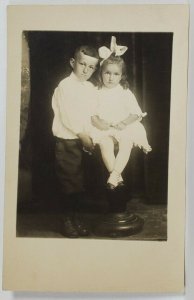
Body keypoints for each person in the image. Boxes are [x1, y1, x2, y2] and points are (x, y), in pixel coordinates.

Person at [90, 36, 152, 190]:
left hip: (123, 126)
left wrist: (123, 123)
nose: (111, 78)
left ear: (121, 76)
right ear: (101, 73)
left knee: (126, 144)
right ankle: (118, 176)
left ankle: (114, 175)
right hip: (104, 127)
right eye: (107, 73)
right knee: (105, 144)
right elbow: (91, 113)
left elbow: (136, 113)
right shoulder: (96, 91)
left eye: (116, 74)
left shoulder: (124, 92)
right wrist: (99, 123)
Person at [51, 45, 99, 237]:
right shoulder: (65, 86)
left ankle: (76, 218)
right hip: (68, 140)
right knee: (69, 181)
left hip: (84, 139)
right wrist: (83, 135)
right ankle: (67, 220)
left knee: (80, 182)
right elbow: (68, 115)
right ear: (73, 62)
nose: (86, 70)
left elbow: (92, 113)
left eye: (91, 67)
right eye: (82, 64)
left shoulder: (90, 87)